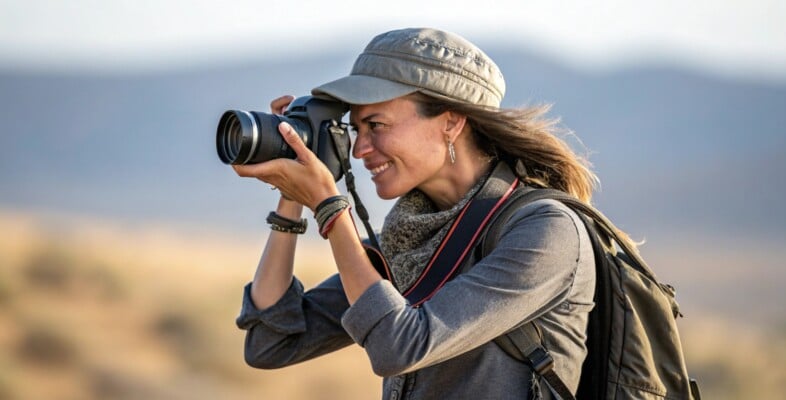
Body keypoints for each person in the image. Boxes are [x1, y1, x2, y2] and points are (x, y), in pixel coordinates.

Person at [232, 27, 603, 400]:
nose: (360, 150)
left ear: (451, 122)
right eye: (356, 129)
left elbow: (400, 346)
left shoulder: (546, 231)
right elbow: (270, 343)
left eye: (376, 125)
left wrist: (329, 206)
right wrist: (291, 191)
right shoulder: (412, 237)